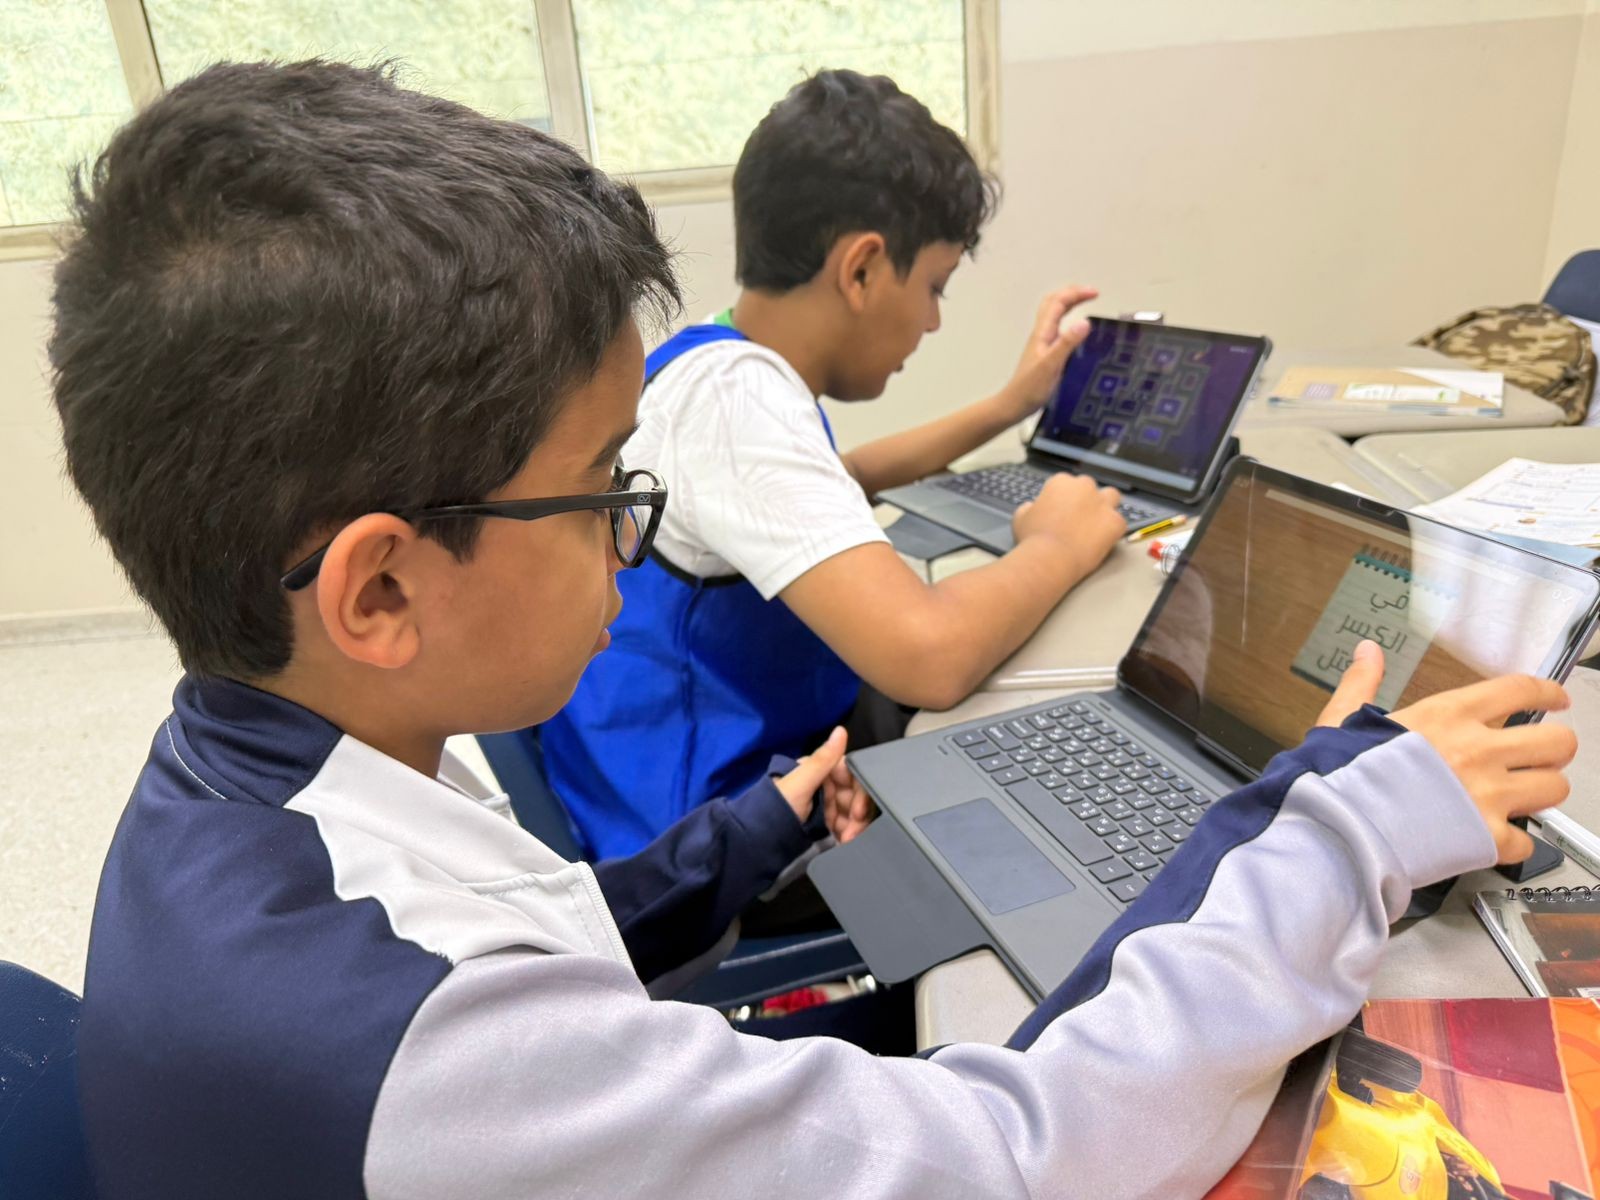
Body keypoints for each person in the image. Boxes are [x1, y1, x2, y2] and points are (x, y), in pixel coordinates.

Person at [59, 61, 1576, 1200]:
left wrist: (751, 831)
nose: (633, 541)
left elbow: (541, 924)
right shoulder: (441, 1059)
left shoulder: (270, 780)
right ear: (380, 593)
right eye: (603, 492)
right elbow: (1023, 1158)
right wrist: (1345, 825)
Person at [542, 69, 1129, 857]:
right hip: (695, 852)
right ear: (861, 269)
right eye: (934, 287)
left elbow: (836, 476)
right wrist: (1060, 544)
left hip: (648, 788)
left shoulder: (720, 354)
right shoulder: (738, 403)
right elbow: (930, 656)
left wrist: (1006, 405)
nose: (933, 321)